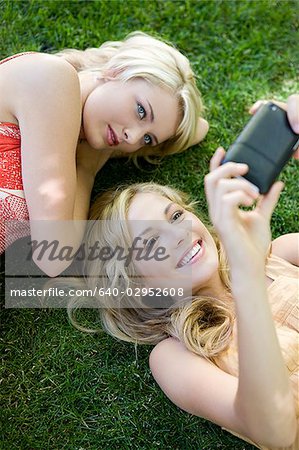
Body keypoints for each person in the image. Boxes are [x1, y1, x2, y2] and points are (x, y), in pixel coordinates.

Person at [67, 98, 299, 449]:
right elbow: (276, 433)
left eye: (175, 217)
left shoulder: (281, 253)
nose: (179, 235)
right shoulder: (175, 357)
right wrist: (246, 271)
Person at [0, 31, 207, 275]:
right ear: (116, 70)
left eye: (148, 139)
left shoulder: (78, 135)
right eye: (141, 111)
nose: (132, 137)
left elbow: (199, 130)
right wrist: (86, 170)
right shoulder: (51, 80)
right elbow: (53, 256)